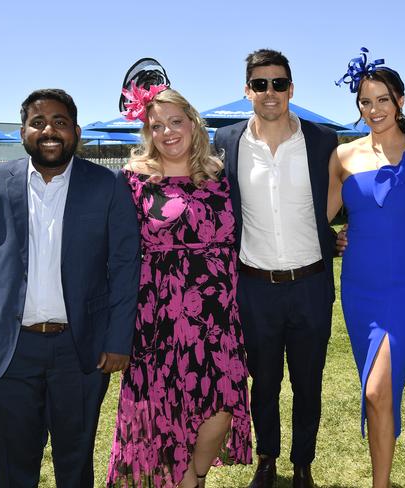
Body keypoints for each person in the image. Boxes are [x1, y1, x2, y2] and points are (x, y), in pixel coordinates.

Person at [106, 59, 251, 488]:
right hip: (157, 315)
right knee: (163, 409)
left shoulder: (221, 177)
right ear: (147, 132)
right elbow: (115, 250)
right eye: (157, 125)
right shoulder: (132, 181)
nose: (168, 131)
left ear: (192, 123)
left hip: (217, 313)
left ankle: (194, 476)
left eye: (175, 121)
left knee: (222, 403)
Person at [0, 89, 140, 488]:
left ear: (76, 131)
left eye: (59, 122)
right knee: (10, 464)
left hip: (81, 350)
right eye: (38, 122)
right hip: (9, 350)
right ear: (23, 132)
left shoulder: (108, 185)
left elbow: (126, 268)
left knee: (75, 463)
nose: (49, 130)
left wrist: (119, 338)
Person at [214, 48, 338, 488]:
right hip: (253, 287)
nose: (270, 92)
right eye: (261, 84)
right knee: (262, 383)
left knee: (308, 383)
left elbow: (346, 192)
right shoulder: (226, 142)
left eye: (279, 83)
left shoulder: (323, 140)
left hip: (310, 283)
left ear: (291, 88)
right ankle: (266, 459)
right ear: (247, 89)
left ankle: (302, 463)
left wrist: (344, 232)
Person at [327, 48, 405, 488]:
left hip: (404, 285)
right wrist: (333, 237)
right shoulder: (343, 156)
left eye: (383, 100)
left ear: (401, 101)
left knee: (376, 390)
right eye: (365, 102)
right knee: (379, 396)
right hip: (358, 287)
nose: (374, 110)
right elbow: (319, 216)